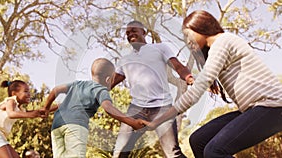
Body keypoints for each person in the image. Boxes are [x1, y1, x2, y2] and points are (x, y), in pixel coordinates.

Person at [143, 10, 282, 158]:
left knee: (214, 151)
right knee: (198, 140)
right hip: (253, 108)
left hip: (272, 106)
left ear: (200, 26)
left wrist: (159, 120)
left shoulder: (223, 41)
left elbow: (196, 92)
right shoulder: (217, 48)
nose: (188, 41)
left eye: (188, 35)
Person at [109, 20, 194, 158]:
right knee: (119, 152)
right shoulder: (125, 60)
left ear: (144, 31)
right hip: (136, 109)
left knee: (173, 153)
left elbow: (178, 66)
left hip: (162, 108)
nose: (130, 34)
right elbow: (110, 84)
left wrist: (189, 77)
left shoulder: (160, 48)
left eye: (134, 30)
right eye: (127, 33)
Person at [43, 58, 145, 158]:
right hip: (75, 125)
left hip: (56, 125)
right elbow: (108, 108)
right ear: (108, 79)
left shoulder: (78, 84)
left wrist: (46, 108)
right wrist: (132, 122)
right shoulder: (101, 90)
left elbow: (56, 90)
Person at [0, 80, 45, 158]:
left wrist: (59, 106)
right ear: (14, 94)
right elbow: (11, 114)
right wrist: (30, 115)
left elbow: (41, 111)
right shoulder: (11, 101)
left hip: (0, 135)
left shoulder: (20, 109)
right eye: (26, 91)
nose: (29, 94)